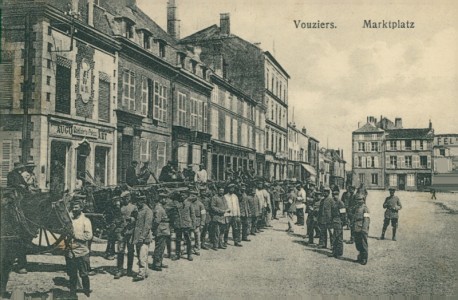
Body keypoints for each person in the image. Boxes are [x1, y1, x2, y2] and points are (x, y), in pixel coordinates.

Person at [66, 197, 93, 297]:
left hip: (82, 251)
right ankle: (72, 294)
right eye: (73, 207)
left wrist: (75, 236)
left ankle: (86, 290)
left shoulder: (86, 220)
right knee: (72, 275)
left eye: (76, 207)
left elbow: (89, 236)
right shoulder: (69, 220)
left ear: (81, 208)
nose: (74, 209)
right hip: (70, 252)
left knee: (84, 274)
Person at [114, 191, 137, 279]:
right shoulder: (119, 207)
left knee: (130, 251)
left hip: (130, 231)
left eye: (128, 198)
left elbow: (136, 217)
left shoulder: (134, 207)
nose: (126, 199)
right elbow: (115, 217)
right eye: (124, 198)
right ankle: (119, 270)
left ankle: (129, 270)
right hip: (120, 231)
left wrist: (132, 219)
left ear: (130, 198)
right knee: (120, 250)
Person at [131, 194, 153, 282]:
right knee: (140, 255)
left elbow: (147, 226)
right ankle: (145, 272)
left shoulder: (148, 211)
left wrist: (143, 236)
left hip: (144, 237)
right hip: (137, 237)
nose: (137, 203)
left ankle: (141, 274)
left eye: (138, 202)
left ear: (142, 201)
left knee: (142, 255)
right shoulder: (139, 210)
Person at [171, 192, 195, 261]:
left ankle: (189, 254)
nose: (182, 197)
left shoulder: (189, 203)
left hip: (186, 224)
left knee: (188, 240)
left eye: (184, 195)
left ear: (186, 196)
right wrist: (174, 224)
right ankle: (177, 254)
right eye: (181, 195)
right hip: (178, 225)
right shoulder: (176, 204)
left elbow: (192, 214)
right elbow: (173, 215)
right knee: (178, 240)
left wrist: (193, 224)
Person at [151, 193, 170, 271]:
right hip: (161, 230)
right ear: (161, 199)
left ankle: (159, 262)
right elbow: (156, 221)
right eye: (165, 198)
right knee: (159, 248)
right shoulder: (158, 208)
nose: (166, 200)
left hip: (163, 230)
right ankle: (156, 264)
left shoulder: (161, 207)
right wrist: (154, 230)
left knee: (162, 248)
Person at [210, 186, 230, 250]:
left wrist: (227, 209)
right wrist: (221, 211)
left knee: (222, 232)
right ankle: (215, 245)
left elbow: (226, 205)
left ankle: (220, 244)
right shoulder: (214, 198)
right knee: (216, 232)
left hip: (224, 217)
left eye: (223, 191)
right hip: (217, 217)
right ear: (218, 191)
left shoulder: (223, 197)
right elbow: (212, 207)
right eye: (220, 190)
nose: (222, 192)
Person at [353, 193, 370, 265]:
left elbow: (366, 219)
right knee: (358, 243)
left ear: (363, 200)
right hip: (356, 226)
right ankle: (360, 256)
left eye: (360, 199)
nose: (358, 201)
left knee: (363, 244)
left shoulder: (365, 208)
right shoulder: (356, 207)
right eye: (357, 199)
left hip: (362, 227)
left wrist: (364, 228)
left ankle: (364, 258)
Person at [189, 190, 206, 256]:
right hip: (189, 222)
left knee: (197, 236)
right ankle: (188, 249)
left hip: (197, 222)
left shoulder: (200, 204)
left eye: (194, 195)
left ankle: (196, 248)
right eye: (191, 195)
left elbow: (203, 214)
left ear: (196, 196)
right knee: (188, 236)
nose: (192, 197)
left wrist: (202, 223)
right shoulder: (188, 203)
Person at [331, 190, 346, 258]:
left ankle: (339, 253)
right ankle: (334, 252)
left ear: (338, 195)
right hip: (334, 221)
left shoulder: (341, 203)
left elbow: (343, 214)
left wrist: (343, 222)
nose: (334, 196)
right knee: (334, 237)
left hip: (339, 221)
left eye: (336, 195)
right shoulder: (333, 202)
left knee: (339, 238)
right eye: (333, 195)